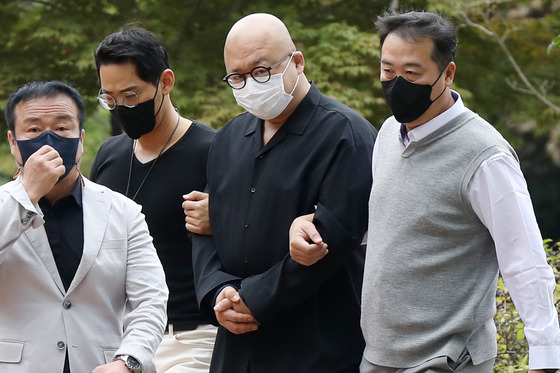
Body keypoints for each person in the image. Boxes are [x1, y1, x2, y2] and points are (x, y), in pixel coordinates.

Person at [288, 10, 560, 373]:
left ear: (447, 74)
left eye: (412, 73)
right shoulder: (387, 134)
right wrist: (309, 223)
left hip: (448, 358)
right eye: (388, 71)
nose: (396, 83)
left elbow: (524, 260)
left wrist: (545, 358)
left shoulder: (485, 156)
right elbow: (380, 222)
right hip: (380, 354)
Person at [187, 12, 377, 373]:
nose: (249, 85)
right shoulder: (227, 138)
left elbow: (331, 242)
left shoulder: (346, 134)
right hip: (236, 345)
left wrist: (254, 299)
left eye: (261, 72)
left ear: (297, 62)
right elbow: (203, 225)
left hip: (316, 345)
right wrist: (218, 290)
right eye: (236, 77)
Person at [0, 80, 168, 373]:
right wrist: (27, 195)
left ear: (80, 140)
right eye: (34, 130)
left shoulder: (123, 212)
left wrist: (130, 360)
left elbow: (150, 300)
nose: (49, 139)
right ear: (14, 142)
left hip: (101, 365)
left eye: (62, 128)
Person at [89, 27, 217, 372]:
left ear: (165, 82)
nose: (121, 108)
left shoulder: (214, 150)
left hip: (190, 338)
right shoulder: (109, 154)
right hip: (117, 339)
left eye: (131, 96)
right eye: (110, 99)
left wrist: (221, 217)